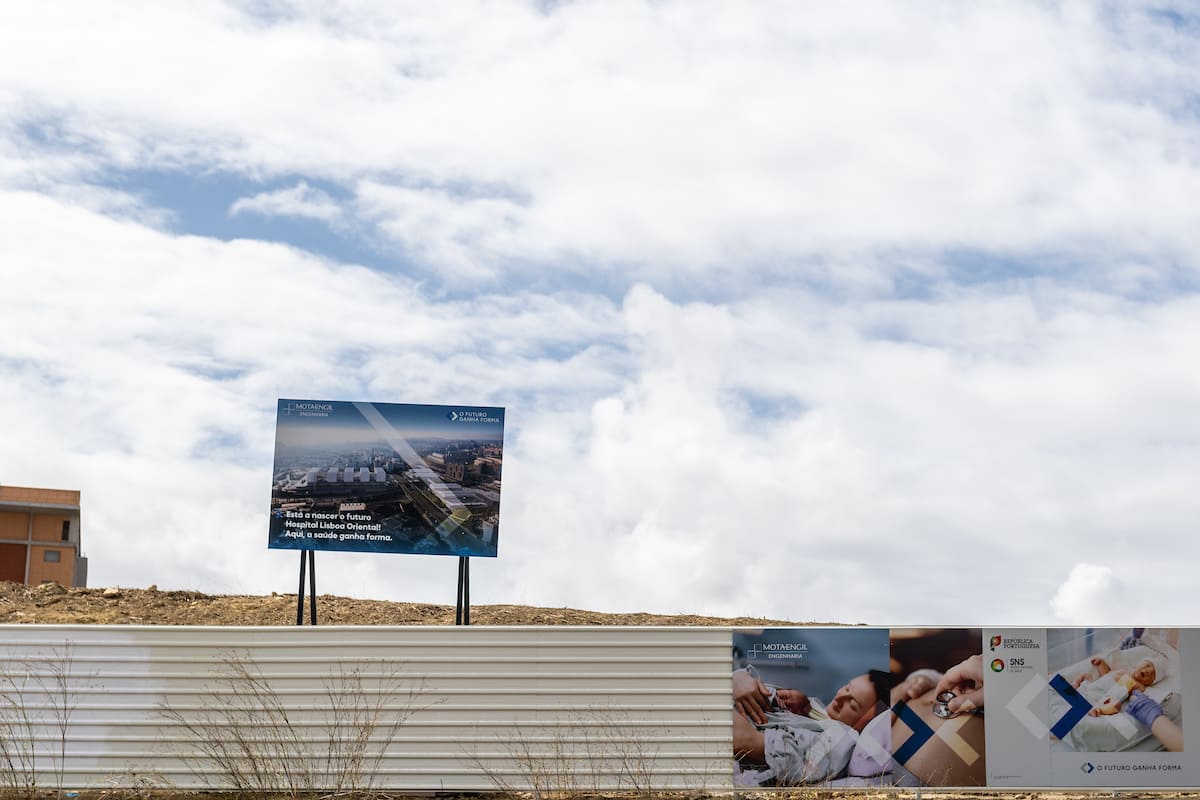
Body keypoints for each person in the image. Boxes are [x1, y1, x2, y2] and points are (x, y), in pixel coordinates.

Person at [733, 667, 892, 786]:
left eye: (852, 704)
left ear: (867, 723)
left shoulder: (844, 737)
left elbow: (798, 762)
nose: (840, 697)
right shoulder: (813, 709)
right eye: (847, 687)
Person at [1073, 656, 1161, 716]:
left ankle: (1099, 710)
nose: (1147, 671)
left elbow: (1134, 696)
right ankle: (1075, 684)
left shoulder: (1140, 686)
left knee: (1116, 705)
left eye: (1152, 674)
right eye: (1147, 665)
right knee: (1087, 675)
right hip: (1095, 686)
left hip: (1106, 697)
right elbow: (1106, 673)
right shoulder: (1124, 670)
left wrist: (1134, 698)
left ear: (1150, 683)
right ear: (1139, 664)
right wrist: (1101, 663)